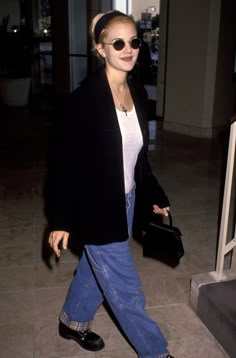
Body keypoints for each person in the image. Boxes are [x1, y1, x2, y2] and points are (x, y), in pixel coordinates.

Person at [47, 10, 174, 358]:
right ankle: (157, 353)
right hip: (95, 207)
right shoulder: (83, 102)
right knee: (126, 289)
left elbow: (139, 158)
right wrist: (60, 219)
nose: (128, 49)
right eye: (118, 42)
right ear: (100, 49)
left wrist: (153, 194)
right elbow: (62, 166)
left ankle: (72, 320)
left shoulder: (138, 95)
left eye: (134, 41)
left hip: (127, 201)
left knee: (95, 266)